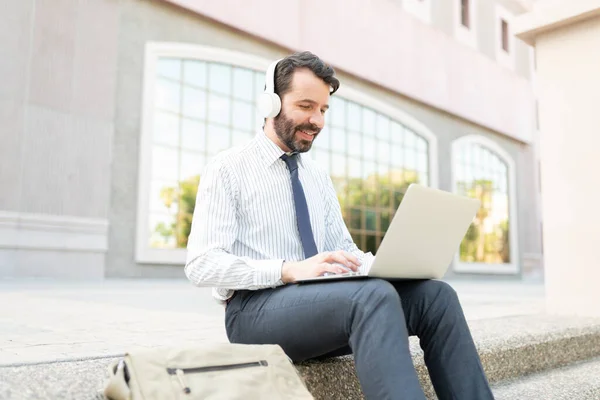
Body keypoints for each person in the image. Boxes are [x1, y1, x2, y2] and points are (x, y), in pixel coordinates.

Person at [184, 51, 494, 400]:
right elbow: (201, 264)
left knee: (436, 297)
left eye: (323, 110)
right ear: (270, 103)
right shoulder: (229, 168)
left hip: (318, 308)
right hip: (252, 314)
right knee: (371, 297)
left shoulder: (316, 175)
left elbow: (344, 252)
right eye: (306, 106)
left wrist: (387, 266)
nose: (317, 120)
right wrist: (287, 270)